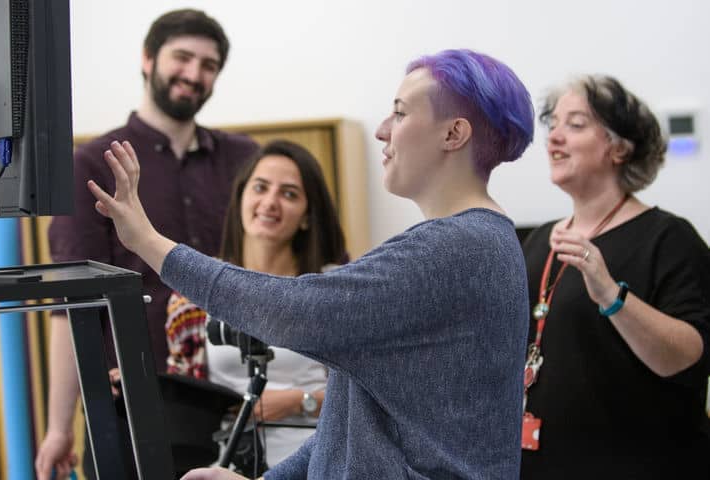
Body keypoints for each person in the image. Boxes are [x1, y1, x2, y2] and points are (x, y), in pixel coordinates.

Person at [88, 49, 535, 479]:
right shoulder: (470, 245)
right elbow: (353, 425)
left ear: (453, 134)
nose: (383, 130)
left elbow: (293, 311)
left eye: (400, 113)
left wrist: (148, 243)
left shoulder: (459, 248)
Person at [34, 9, 258, 480]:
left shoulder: (247, 162)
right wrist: (59, 427)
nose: (194, 75)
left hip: (238, 406)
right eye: (183, 58)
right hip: (132, 408)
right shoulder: (94, 163)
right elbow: (72, 306)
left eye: (209, 65)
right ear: (148, 59)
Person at [519, 75, 710, 478]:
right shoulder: (539, 241)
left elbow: (689, 357)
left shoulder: (669, 239)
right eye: (553, 125)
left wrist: (610, 294)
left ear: (620, 147)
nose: (554, 138)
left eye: (575, 124)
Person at [165, 140, 346, 470]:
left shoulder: (335, 289)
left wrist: (298, 402)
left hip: (318, 463)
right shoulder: (192, 294)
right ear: (241, 198)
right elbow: (184, 395)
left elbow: (369, 396)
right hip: (224, 462)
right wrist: (136, 383)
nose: (270, 202)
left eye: (289, 194)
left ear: (307, 217)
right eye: (260, 187)